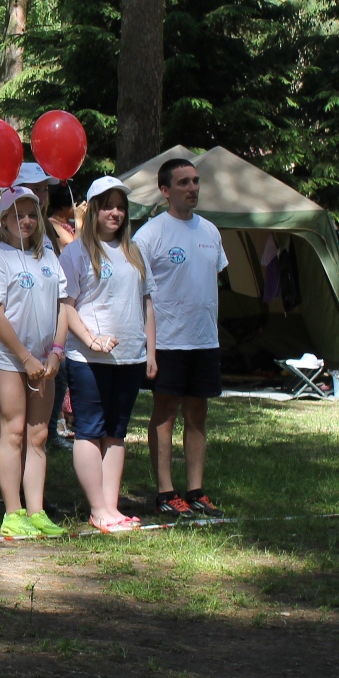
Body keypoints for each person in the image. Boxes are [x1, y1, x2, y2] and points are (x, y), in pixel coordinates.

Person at [133, 158, 229, 519]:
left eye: (196, 182)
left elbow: (212, 279)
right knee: (165, 413)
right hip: (168, 341)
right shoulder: (151, 234)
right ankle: (164, 491)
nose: (193, 188)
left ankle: (196, 491)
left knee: (198, 413)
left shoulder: (210, 232)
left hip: (204, 340)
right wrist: (149, 345)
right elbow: (139, 291)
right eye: (184, 183)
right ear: (165, 190)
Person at [60, 176, 155, 533]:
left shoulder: (135, 252)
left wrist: (151, 351)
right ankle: (97, 509)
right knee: (89, 430)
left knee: (116, 432)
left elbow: (148, 304)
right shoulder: (75, 252)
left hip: (130, 357)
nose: (115, 212)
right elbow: (65, 307)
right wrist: (90, 339)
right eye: (108, 205)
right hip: (88, 360)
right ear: (94, 209)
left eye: (121, 207)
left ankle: (112, 508)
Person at [0, 187, 67, 539]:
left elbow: (63, 307)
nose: (25, 220)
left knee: (39, 435)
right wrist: (24, 357)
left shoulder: (49, 258)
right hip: (7, 359)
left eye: (31, 214)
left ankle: (37, 510)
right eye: (16, 214)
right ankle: (13, 512)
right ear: (4, 220)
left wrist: (56, 351)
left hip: (44, 360)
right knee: (14, 430)